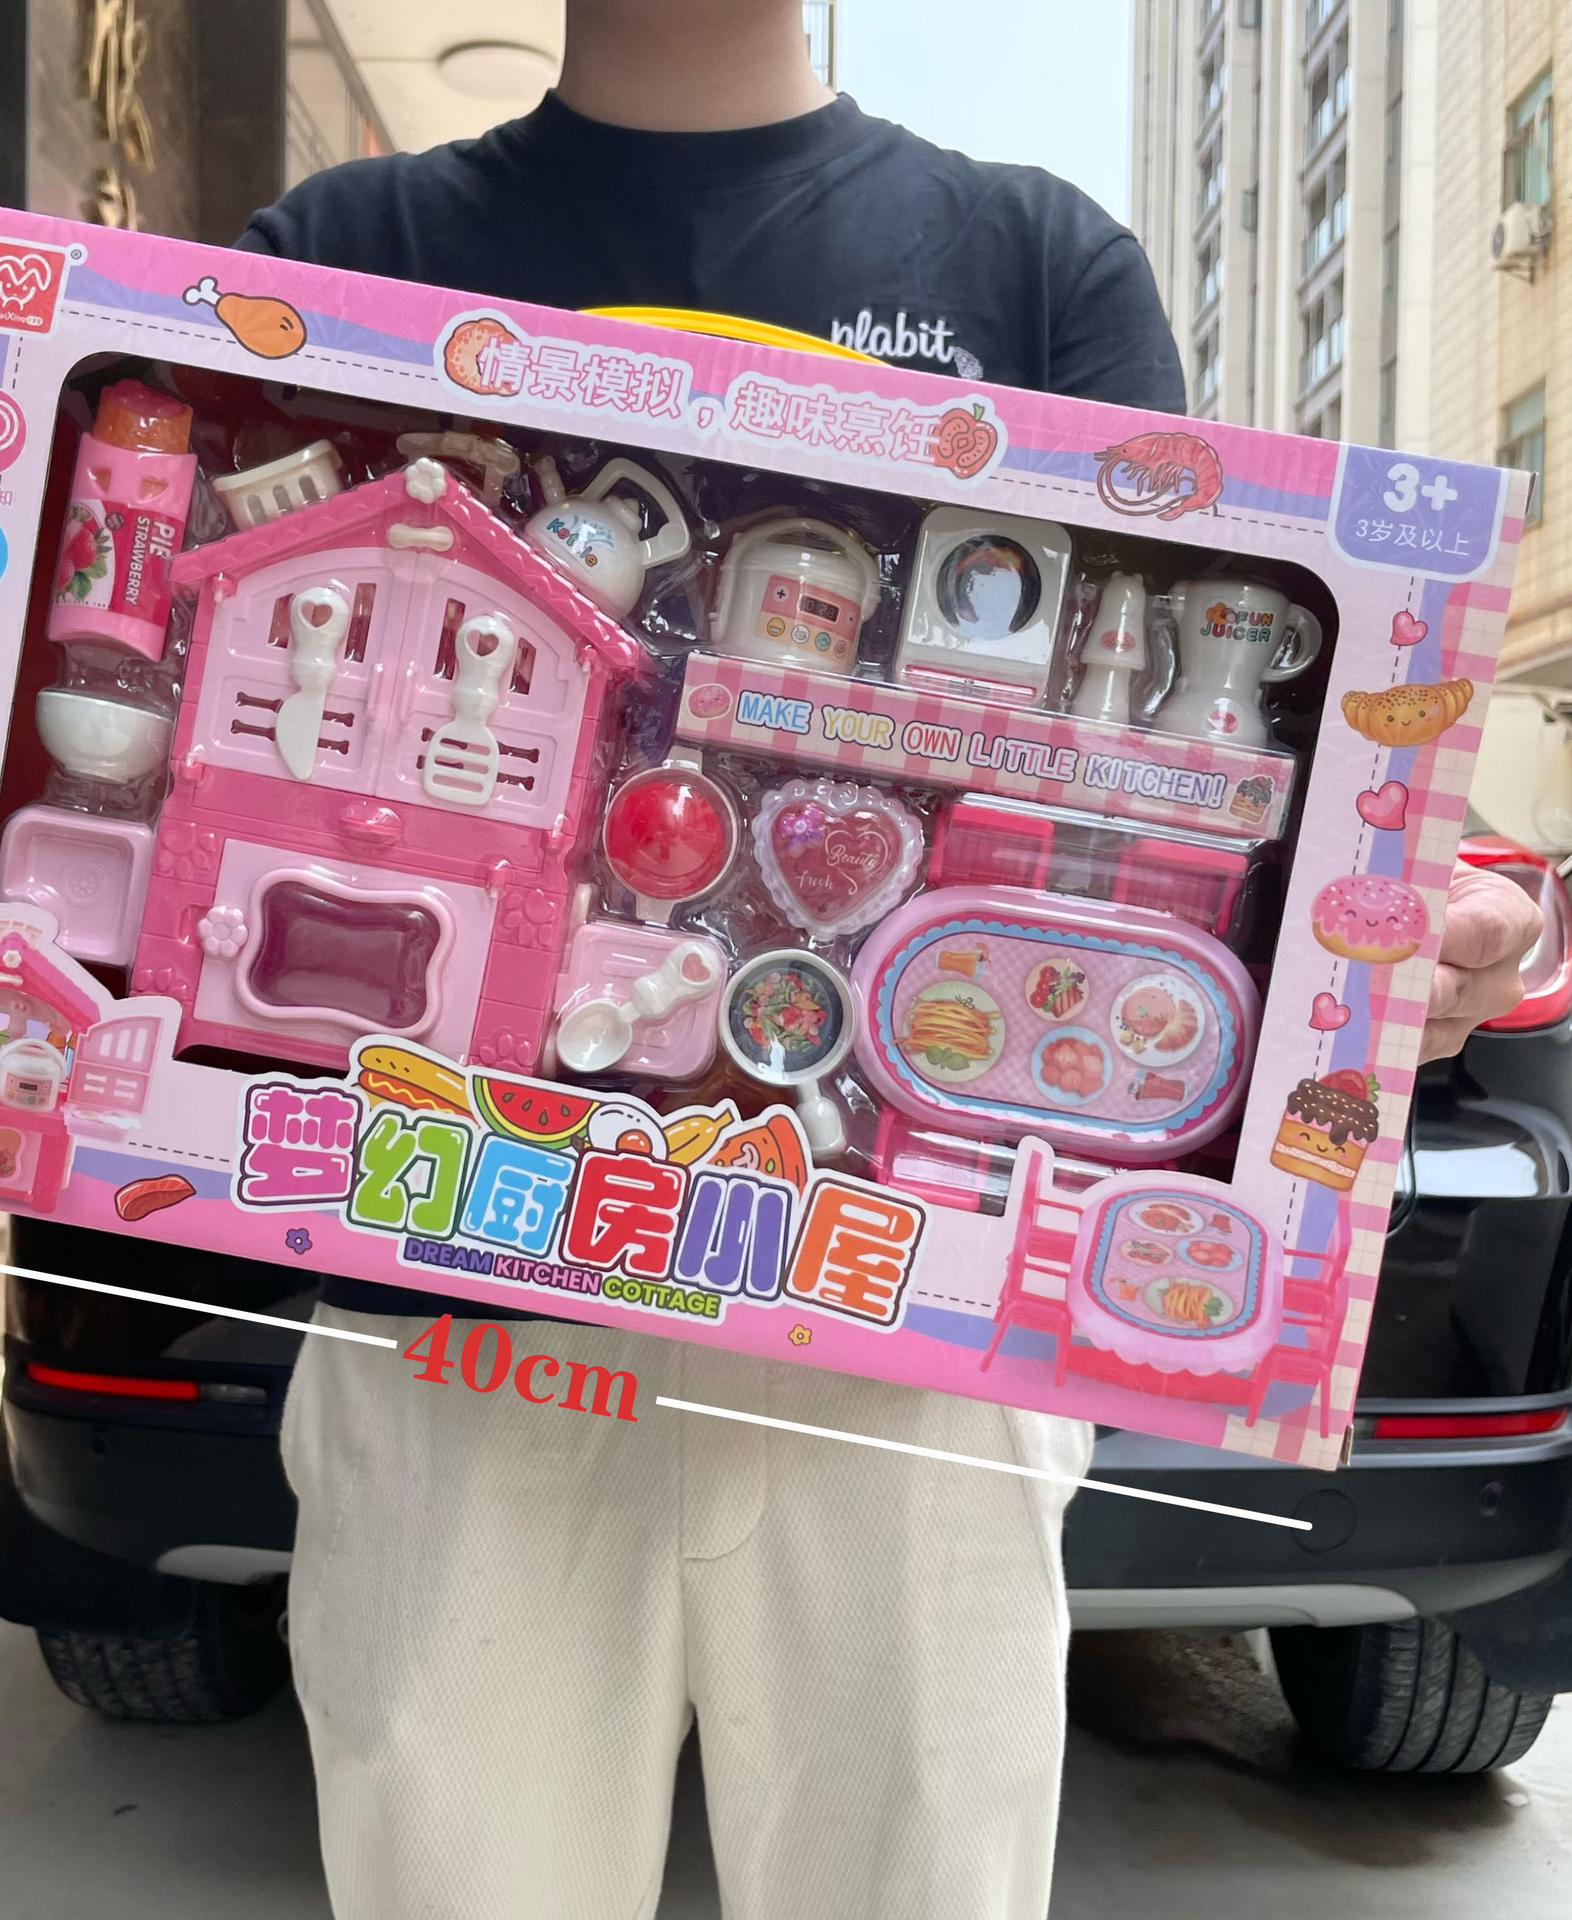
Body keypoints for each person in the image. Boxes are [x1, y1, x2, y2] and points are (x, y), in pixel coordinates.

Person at [238, 6, 1543, 1915]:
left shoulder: (1038, 264)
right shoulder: (334, 260)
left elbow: (1185, 796)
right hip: (454, 1299)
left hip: (910, 1327)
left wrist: (1364, 954)